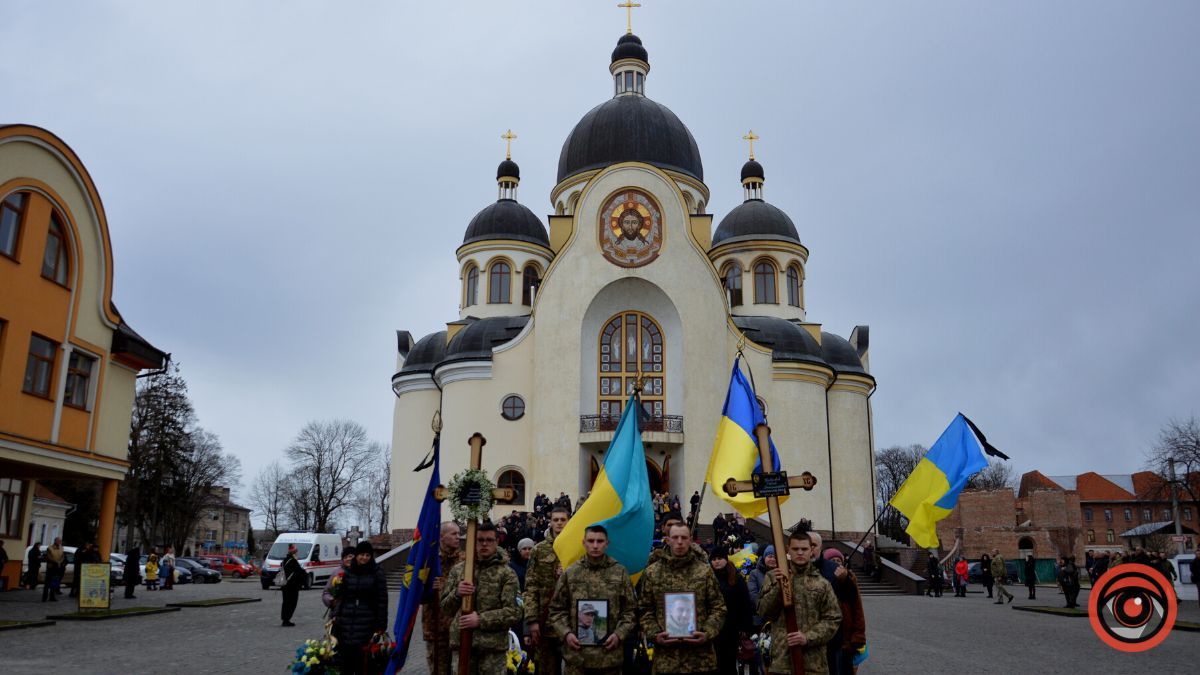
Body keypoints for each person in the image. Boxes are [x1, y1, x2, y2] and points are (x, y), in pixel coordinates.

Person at [637, 522, 727, 674]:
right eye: (675, 537)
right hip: (666, 660)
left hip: (701, 660)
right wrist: (655, 634)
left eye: (684, 537)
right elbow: (644, 609)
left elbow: (718, 607)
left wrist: (707, 633)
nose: (679, 542)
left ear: (690, 540)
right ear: (668, 539)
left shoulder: (704, 571)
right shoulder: (653, 572)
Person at [547, 524, 637, 675]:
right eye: (591, 541)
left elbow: (631, 610)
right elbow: (556, 610)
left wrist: (619, 634)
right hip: (577, 658)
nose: (595, 546)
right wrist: (566, 633)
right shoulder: (571, 573)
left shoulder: (619, 572)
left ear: (607, 544)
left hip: (609, 658)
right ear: (584, 543)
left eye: (600, 541)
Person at [441, 521, 522, 675]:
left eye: (489, 540)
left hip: (492, 650)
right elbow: (445, 607)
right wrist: (457, 593)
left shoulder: (506, 573)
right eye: (480, 540)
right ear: (473, 541)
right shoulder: (459, 570)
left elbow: (514, 612)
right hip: (463, 645)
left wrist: (480, 619)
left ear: (497, 542)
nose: (484, 544)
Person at [758, 528, 842, 674]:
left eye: (804, 549)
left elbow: (833, 619)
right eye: (796, 549)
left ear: (811, 551)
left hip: (814, 664)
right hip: (782, 662)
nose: (800, 552)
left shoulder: (822, 583)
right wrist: (779, 587)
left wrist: (807, 638)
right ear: (788, 550)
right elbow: (764, 612)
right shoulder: (773, 577)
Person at [525, 506, 570, 675]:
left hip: (570, 625)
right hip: (545, 622)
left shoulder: (579, 548)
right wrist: (532, 620)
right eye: (555, 520)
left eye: (563, 520)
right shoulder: (538, 550)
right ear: (550, 522)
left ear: (569, 521)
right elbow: (530, 587)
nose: (559, 523)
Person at [331, 541, 389, 674]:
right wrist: (336, 615)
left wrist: (381, 625)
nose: (365, 558)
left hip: (367, 622)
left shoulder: (377, 572)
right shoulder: (348, 571)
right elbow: (342, 596)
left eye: (368, 555)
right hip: (346, 621)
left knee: (363, 661)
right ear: (356, 555)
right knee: (345, 660)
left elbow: (382, 600)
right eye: (362, 554)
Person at [422, 521, 464, 675]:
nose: (458, 537)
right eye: (454, 534)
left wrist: (445, 586)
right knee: (438, 670)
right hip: (434, 627)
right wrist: (427, 587)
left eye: (459, 534)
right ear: (441, 536)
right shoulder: (429, 561)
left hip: (457, 627)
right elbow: (417, 592)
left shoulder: (464, 561)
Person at [710, 547, 753, 675]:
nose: (717, 562)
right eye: (714, 559)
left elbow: (745, 603)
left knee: (728, 663)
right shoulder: (708, 577)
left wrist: (745, 627)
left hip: (731, 628)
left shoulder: (736, 578)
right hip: (712, 628)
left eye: (720, 558)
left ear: (726, 559)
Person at [822, 548, 866, 675]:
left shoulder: (850, 577)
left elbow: (857, 608)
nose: (836, 563)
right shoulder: (823, 578)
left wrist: (858, 635)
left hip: (845, 638)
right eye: (832, 560)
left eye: (838, 560)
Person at [748, 545, 777, 633]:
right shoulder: (755, 574)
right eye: (770, 556)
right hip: (760, 617)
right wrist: (764, 607)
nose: (772, 559)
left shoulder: (782, 572)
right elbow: (752, 593)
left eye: (775, 557)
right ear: (764, 557)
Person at [323, 547, 356, 614]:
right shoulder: (336, 572)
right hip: (338, 612)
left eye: (350, 556)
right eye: (345, 557)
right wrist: (330, 600)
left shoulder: (360, 572)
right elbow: (327, 592)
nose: (348, 559)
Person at [280, 543, 304, 626]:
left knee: (286, 602)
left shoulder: (284, 560)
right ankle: (286, 620)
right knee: (292, 603)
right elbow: (298, 572)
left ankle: (284, 619)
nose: (297, 553)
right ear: (294, 553)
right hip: (292, 586)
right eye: (296, 552)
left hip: (285, 585)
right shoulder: (293, 561)